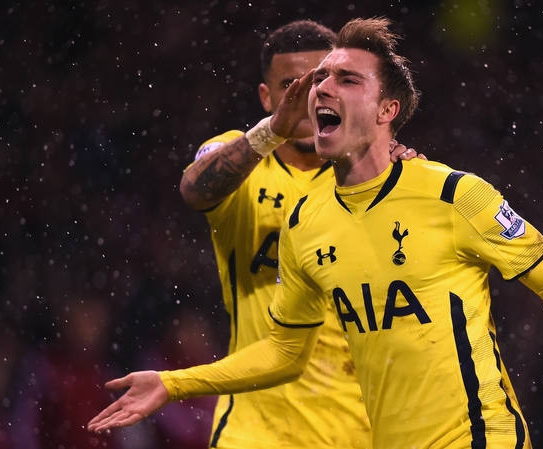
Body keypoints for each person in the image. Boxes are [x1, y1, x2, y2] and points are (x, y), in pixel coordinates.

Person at [89, 17, 543, 448]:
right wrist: (174, 384)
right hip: (272, 432)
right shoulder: (303, 218)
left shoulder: (452, 193)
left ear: (388, 111)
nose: (318, 89)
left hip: (468, 436)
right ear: (268, 95)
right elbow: (284, 350)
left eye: (344, 79)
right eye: (317, 81)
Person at [176, 20, 420, 448]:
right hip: (256, 430)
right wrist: (273, 129)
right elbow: (194, 190)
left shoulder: (377, 178)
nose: (311, 96)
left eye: (324, 79)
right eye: (293, 85)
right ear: (267, 97)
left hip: (363, 430)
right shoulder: (242, 156)